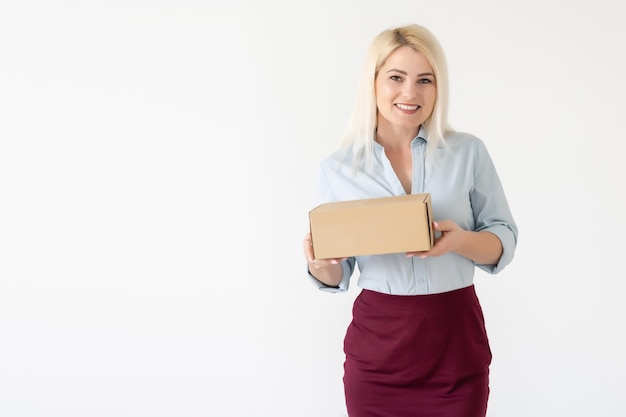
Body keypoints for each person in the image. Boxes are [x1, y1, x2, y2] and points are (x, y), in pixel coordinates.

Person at [302, 23, 518, 417]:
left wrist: (457, 242)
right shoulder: (338, 169)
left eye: (425, 80)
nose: (410, 93)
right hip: (378, 353)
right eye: (396, 78)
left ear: (439, 88)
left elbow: (503, 239)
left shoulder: (467, 152)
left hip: (455, 344)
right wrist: (321, 261)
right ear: (374, 83)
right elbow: (336, 274)